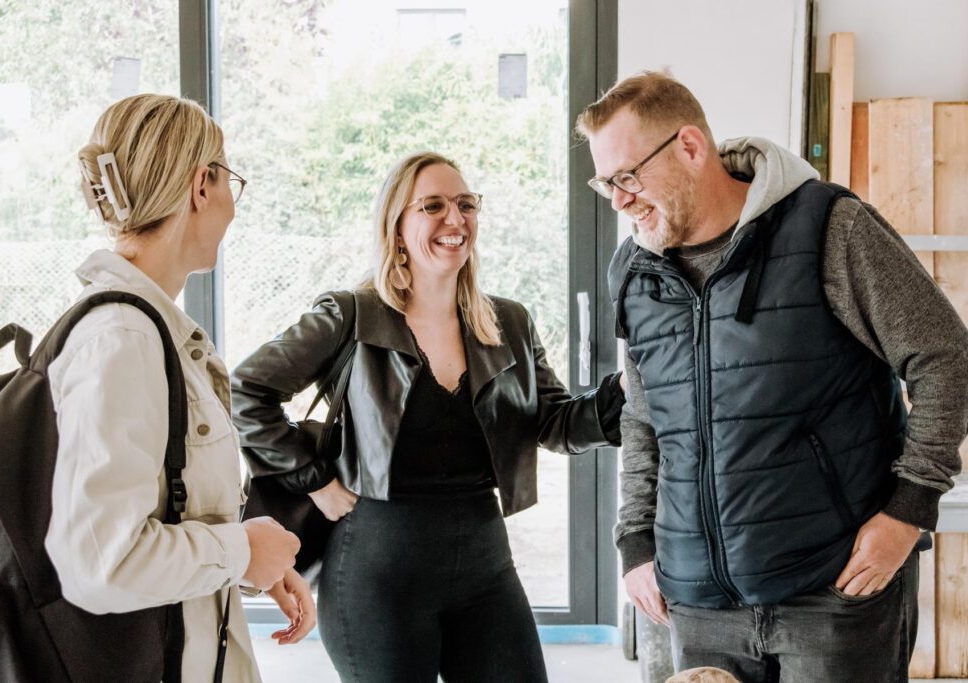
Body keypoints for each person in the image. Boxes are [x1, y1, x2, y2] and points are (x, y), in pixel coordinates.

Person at [577, 71, 968, 681]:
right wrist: (636, 540)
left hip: (833, 590)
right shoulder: (634, 272)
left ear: (690, 147)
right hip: (698, 600)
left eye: (627, 177)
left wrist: (908, 509)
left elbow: (947, 360)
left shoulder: (828, 227)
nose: (618, 199)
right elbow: (643, 415)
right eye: (605, 182)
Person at [230, 151, 625, 682]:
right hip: (377, 572)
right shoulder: (351, 315)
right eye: (433, 206)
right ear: (397, 227)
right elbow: (244, 390)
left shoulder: (507, 321)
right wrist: (314, 479)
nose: (455, 219)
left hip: (485, 565)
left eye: (466, 204)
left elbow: (553, 422)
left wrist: (627, 391)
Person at [45, 93, 315, 681]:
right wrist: (242, 549)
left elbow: (164, 515)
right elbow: (103, 561)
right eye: (229, 182)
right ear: (202, 185)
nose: (231, 208)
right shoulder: (123, 338)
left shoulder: (148, 330)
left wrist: (246, 564)